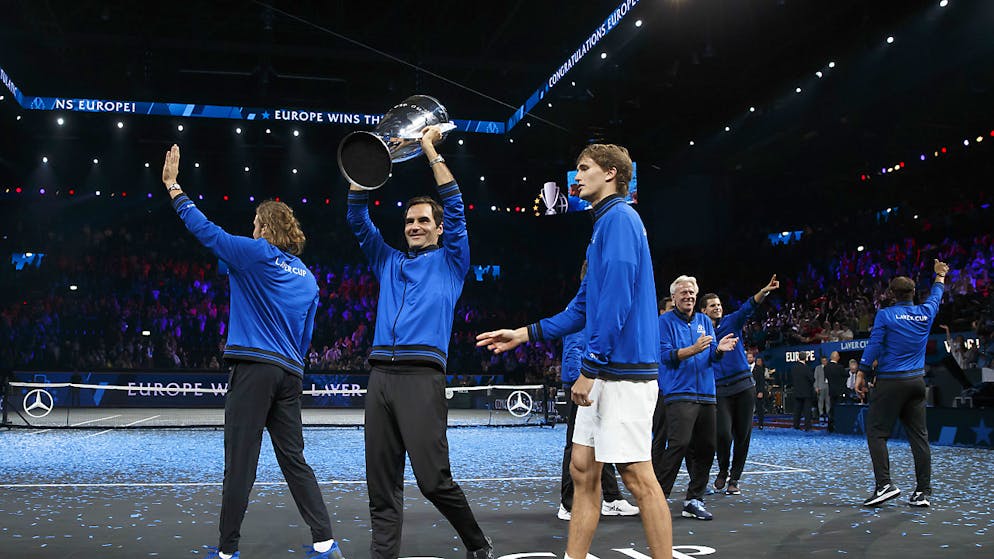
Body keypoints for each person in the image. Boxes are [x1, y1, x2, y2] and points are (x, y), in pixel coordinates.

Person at [476, 144, 671, 559]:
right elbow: (581, 308)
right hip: (609, 372)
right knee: (582, 469)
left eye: (583, 169)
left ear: (612, 173)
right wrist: (523, 333)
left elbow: (616, 301)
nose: (575, 177)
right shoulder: (602, 225)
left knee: (638, 477)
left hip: (624, 374)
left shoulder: (620, 219)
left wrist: (590, 368)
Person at [161, 145, 343, 559]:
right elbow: (306, 337)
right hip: (289, 375)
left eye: (255, 223)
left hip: (255, 370)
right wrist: (291, 369)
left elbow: (208, 232)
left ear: (264, 227)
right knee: (294, 459)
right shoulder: (309, 278)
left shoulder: (257, 253)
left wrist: (174, 188)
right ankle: (325, 541)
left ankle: (228, 551)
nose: (252, 228)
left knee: (240, 462)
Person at [346, 126, 492, 559]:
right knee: (381, 484)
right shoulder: (387, 260)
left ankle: (478, 544)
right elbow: (357, 219)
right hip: (380, 378)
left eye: (423, 220)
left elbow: (455, 204)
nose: (414, 226)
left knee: (433, 481)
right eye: (409, 221)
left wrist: (428, 149)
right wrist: (365, 165)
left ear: (440, 229)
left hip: (421, 379)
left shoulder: (452, 261)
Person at [856, 260, 949, 508]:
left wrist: (862, 371)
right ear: (914, 292)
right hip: (916, 382)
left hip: (890, 382)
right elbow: (936, 296)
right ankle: (922, 493)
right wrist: (940, 276)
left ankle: (884, 485)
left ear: (891, 294)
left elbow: (875, 344)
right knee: (920, 438)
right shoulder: (925, 312)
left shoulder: (885, 315)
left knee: (876, 432)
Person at [655, 275, 738, 521]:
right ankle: (657, 498)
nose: (689, 296)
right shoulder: (664, 322)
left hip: (707, 395)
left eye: (692, 292)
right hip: (679, 393)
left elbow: (711, 355)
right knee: (679, 444)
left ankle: (694, 499)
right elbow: (664, 356)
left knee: (707, 447)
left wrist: (719, 350)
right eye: (683, 293)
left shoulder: (704, 320)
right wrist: (693, 349)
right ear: (674, 297)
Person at [559, 283, 640, 521]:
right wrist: (580, 381)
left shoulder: (596, 303)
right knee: (576, 444)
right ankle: (569, 504)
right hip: (583, 383)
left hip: (594, 381)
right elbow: (575, 345)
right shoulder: (583, 305)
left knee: (601, 441)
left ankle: (612, 498)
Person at [700, 275, 778, 496]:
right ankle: (723, 469)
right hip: (719, 389)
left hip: (744, 386)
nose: (717, 307)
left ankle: (734, 479)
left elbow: (748, 306)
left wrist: (765, 290)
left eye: (719, 304)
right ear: (703, 311)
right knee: (723, 434)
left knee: (742, 435)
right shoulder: (699, 331)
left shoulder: (731, 321)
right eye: (712, 305)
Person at [824, 351, 847, 432]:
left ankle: (830, 427)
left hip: (831, 391)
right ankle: (840, 426)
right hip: (840, 391)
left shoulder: (826, 367)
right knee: (840, 409)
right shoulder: (840, 367)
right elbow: (845, 376)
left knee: (832, 409)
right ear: (837, 357)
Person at [790, 357, 815, 431]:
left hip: (797, 391)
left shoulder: (794, 368)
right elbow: (812, 378)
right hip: (806, 392)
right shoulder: (806, 368)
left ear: (798, 358)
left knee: (797, 410)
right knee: (807, 411)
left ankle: (796, 425)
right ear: (805, 358)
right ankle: (807, 427)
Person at [752, 356, 768, 429]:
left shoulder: (759, 368)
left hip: (757, 390)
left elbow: (762, 381)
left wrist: (761, 391)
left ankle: (760, 424)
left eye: (750, 357)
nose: (749, 359)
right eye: (748, 357)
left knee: (759, 408)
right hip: (747, 391)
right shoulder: (745, 367)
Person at [814, 355, 830, 421]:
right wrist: (816, 387)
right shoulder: (818, 368)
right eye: (823, 361)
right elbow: (815, 378)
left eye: (825, 361)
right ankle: (821, 413)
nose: (824, 362)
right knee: (820, 401)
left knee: (828, 401)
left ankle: (828, 413)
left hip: (828, 386)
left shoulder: (829, 367)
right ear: (821, 361)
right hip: (820, 386)